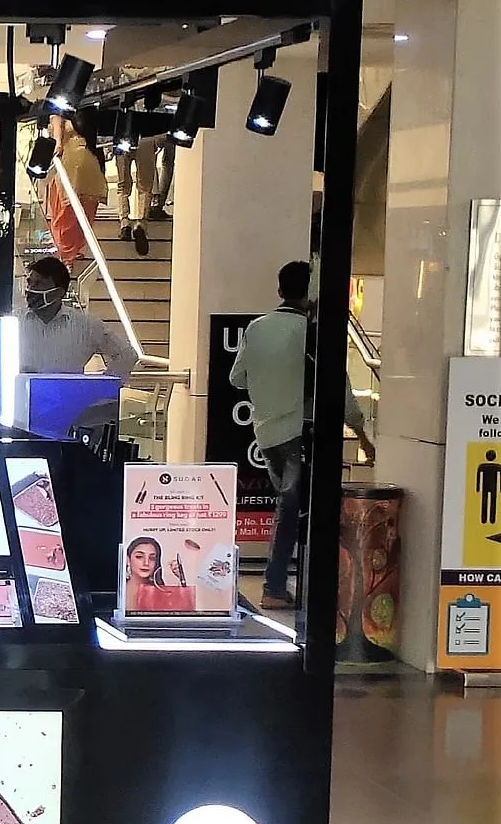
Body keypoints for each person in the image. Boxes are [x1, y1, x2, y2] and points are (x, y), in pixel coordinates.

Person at [229, 259, 375, 610]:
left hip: (267, 436)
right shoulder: (314, 335)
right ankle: (279, 586)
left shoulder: (257, 328)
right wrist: (362, 434)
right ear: (311, 296)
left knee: (289, 508)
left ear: (280, 291)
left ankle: (282, 585)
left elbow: (237, 378)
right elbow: (338, 389)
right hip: (302, 432)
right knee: (298, 510)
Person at [17, 256, 137, 379]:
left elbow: (127, 354)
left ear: (59, 292)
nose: (30, 290)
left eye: (38, 284)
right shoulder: (13, 323)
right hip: (20, 396)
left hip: (67, 397)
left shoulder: (86, 326)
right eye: (29, 283)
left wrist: (101, 388)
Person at [41, 111, 108, 273]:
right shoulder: (91, 112)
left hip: (69, 162)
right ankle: (76, 250)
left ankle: (66, 257)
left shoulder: (58, 112)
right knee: (85, 212)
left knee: (64, 213)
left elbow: (57, 144)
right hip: (91, 161)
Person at [123, 535, 196, 614]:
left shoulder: (159, 592)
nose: (146, 563)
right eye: (139, 556)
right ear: (128, 560)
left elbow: (185, 613)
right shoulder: (120, 587)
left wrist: (181, 579)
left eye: (152, 558)